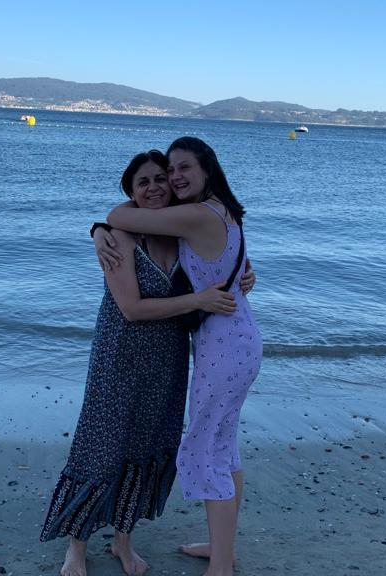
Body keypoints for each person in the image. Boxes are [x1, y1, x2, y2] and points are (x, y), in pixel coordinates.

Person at [40, 150, 254, 576]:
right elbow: (133, 308)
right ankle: (76, 548)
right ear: (130, 191)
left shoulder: (179, 231)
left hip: (170, 357)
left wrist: (248, 274)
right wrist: (100, 228)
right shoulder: (120, 237)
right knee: (100, 446)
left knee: (147, 449)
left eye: (163, 177)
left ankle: (123, 540)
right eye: (144, 182)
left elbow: (225, 260)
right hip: (119, 356)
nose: (156, 186)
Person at [105, 137, 263, 576]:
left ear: (207, 170)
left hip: (223, 346)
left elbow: (120, 214)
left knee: (208, 452)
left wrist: (102, 229)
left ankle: (221, 569)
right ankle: (222, 552)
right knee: (223, 449)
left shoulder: (196, 214)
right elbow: (238, 269)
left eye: (183, 169)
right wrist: (101, 232)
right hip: (238, 339)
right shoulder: (225, 212)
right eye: (170, 170)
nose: (174, 177)